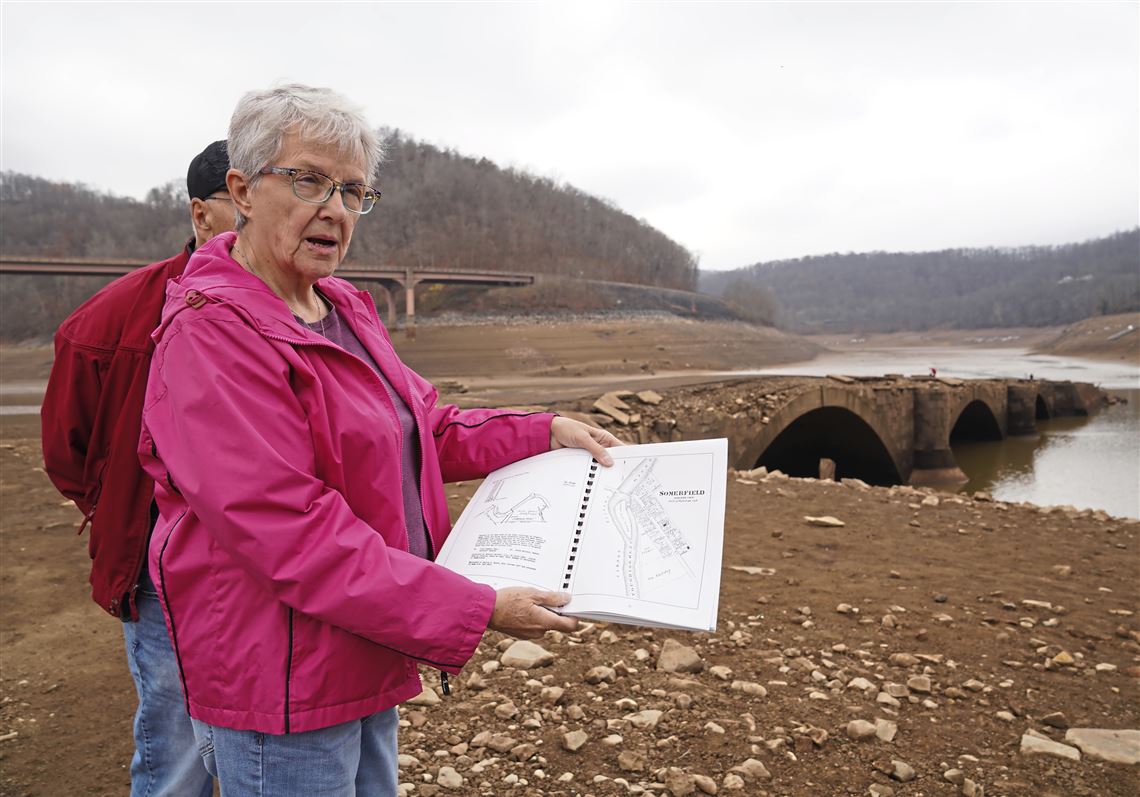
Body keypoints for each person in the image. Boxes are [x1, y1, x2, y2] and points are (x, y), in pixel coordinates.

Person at [137, 84, 622, 795]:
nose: (334, 208)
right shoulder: (210, 336)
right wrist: (475, 607)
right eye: (308, 180)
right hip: (284, 682)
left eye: (353, 189)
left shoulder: (340, 306)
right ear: (240, 189)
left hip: (365, 644)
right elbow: (291, 531)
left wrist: (541, 430)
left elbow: (421, 427)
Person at [40, 141, 233, 797]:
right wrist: (125, 508)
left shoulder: (312, 306)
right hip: (161, 565)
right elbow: (67, 452)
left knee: (264, 735)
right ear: (200, 213)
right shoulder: (110, 320)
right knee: (176, 739)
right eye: (245, 204)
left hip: (274, 561)